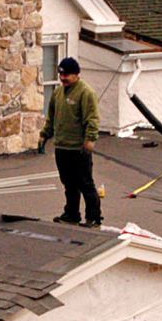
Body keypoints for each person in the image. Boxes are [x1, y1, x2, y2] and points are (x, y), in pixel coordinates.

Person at [39, 56, 101, 227]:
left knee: (85, 183)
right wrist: (45, 133)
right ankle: (72, 214)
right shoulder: (58, 93)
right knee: (69, 184)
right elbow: (51, 116)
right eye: (61, 75)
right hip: (62, 146)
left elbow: (93, 118)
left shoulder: (86, 93)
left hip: (78, 148)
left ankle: (94, 217)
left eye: (67, 75)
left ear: (77, 75)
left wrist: (90, 139)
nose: (63, 78)